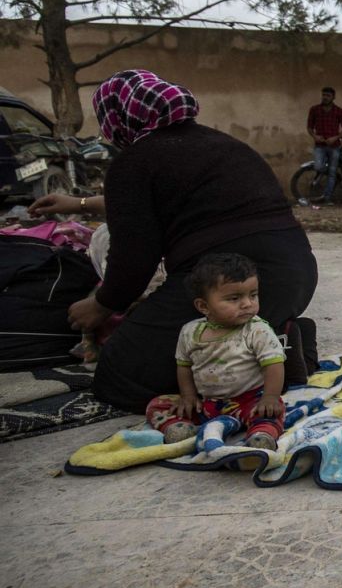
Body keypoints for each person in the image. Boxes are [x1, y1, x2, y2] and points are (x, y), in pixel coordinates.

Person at [28, 69, 318, 414]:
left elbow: (134, 258)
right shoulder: (225, 145)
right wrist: (77, 203)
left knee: (120, 374)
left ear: (118, 118)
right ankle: (282, 337)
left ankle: (263, 367)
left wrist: (102, 304)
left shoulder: (134, 162)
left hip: (223, 280)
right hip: (294, 275)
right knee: (211, 330)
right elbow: (156, 204)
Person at [145, 254, 285, 451]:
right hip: (207, 404)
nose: (247, 304)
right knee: (157, 405)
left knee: (272, 411)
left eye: (253, 295)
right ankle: (179, 428)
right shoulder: (190, 332)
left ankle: (261, 435)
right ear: (203, 306)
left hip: (249, 400)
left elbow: (273, 365)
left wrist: (269, 397)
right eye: (234, 298)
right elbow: (184, 366)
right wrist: (188, 396)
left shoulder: (257, 330)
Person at [307, 86, 342, 204]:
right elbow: (310, 127)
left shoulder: (339, 111)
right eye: (324, 95)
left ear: (333, 97)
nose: (325, 97)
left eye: (328, 96)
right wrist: (315, 136)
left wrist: (336, 137)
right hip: (319, 145)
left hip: (334, 146)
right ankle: (335, 175)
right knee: (318, 167)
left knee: (331, 172)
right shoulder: (314, 109)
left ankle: (327, 197)